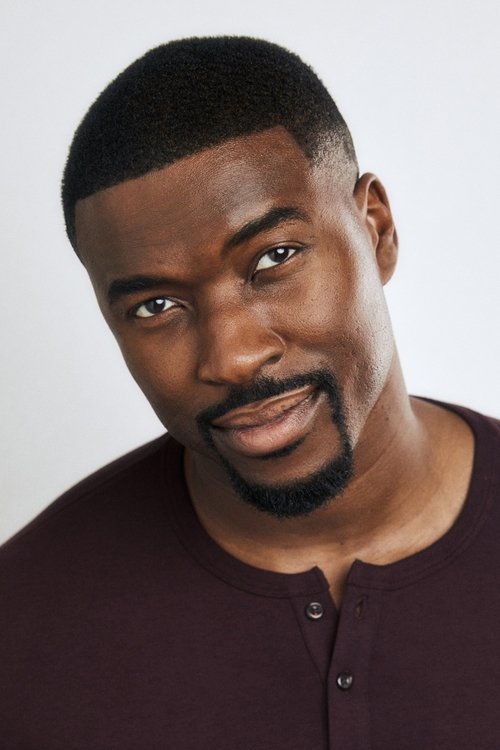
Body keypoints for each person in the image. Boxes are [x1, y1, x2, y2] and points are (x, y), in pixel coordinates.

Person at [1, 36, 499, 750]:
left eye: (274, 258)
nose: (232, 357)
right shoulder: (21, 627)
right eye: (155, 306)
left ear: (377, 229)